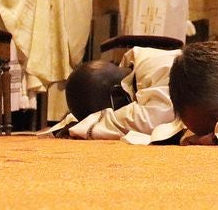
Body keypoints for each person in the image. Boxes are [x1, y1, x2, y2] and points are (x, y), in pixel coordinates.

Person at [52, 47, 183, 143]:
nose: (117, 112)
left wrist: (88, 126)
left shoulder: (162, 69)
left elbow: (151, 120)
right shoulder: (133, 67)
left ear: (116, 95)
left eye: (112, 110)